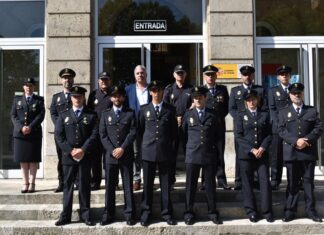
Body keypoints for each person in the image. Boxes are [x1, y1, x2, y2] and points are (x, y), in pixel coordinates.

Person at [278, 83, 323, 223]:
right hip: (291, 153)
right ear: (290, 95)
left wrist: (307, 140)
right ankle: (290, 211)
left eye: (299, 93)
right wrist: (295, 141)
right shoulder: (283, 112)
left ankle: (311, 211)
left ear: (303, 94)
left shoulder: (312, 111)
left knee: (309, 184)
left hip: (308, 153)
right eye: (294, 93)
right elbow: (281, 130)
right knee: (292, 184)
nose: (297, 95)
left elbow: (319, 127)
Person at [54, 86, 98, 226]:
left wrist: (83, 149)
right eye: (74, 96)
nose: (77, 99)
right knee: (68, 186)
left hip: (85, 156)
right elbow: (59, 136)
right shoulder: (63, 115)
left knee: (84, 185)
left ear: (84, 98)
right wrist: (71, 150)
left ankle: (85, 215)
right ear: (71, 98)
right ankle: (65, 215)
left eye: (79, 96)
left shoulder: (91, 115)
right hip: (68, 157)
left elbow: (94, 134)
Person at [138, 80, 177, 226]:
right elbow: (140, 131)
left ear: (163, 92)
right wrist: (141, 151)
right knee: (147, 185)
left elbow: (174, 133)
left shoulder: (170, 110)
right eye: (153, 90)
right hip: (148, 152)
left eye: (159, 90)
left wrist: (171, 152)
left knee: (165, 185)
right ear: (150, 92)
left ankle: (166, 213)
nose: (156, 93)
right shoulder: (143, 109)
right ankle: (146, 213)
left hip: (165, 152)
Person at [182, 86, 222, 225]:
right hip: (192, 154)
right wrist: (187, 151)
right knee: (190, 186)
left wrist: (217, 155)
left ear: (205, 98)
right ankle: (188, 212)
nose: (197, 99)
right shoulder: (188, 115)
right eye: (195, 97)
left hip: (208, 154)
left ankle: (212, 212)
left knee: (210, 186)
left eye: (200, 97)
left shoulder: (213, 114)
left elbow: (218, 136)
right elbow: (184, 136)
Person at [99, 86, 136, 226]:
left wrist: (122, 148)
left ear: (123, 98)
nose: (116, 98)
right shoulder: (105, 114)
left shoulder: (130, 113)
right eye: (114, 96)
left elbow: (132, 133)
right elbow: (102, 135)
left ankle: (130, 214)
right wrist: (113, 150)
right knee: (109, 187)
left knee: (127, 185)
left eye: (119, 96)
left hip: (126, 155)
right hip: (110, 156)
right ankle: (108, 214)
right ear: (110, 98)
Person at [235, 90, 273, 223]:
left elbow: (269, 134)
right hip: (246, 155)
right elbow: (238, 136)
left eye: (254, 99)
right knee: (247, 183)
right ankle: (251, 211)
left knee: (264, 182)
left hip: (262, 154)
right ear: (246, 102)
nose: (252, 102)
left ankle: (267, 211)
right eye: (249, 99)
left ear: (258, 100)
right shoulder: (240, 116)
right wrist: (252, 149)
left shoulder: (265, 114)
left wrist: (262, 147)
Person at [229, 65, 268, 190]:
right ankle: (239, 180)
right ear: (241, 76)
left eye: (250, 74)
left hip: (257, 125)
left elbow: (264, 107)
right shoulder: (235, 91)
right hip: (242, 127)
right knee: (241, 154)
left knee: (258, 155)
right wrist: (242, 118)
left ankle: (256, 180)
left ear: (253, 76)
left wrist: (256, 119)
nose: (247, 77)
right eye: (245, 74)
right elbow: (231, 108)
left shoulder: (260, 90)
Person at [11, 77, 45, 193]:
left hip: (33, 133)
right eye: (26, 85)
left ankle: (32, 183)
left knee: (33, 160)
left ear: (34, 87)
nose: (28, 88)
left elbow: (41, 115)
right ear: (23, 87)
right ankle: (25, 183)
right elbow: (13, 116)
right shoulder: (17, 99)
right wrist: (21, 128)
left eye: (30, 85)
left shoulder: (39, 100)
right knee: (23, 159)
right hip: (20, 134)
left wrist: (30, 127)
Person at [163, 64, 193, 189]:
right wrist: (175, 117)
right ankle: (170, 181)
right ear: (174, 75)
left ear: (185, 75)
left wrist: (184, 117)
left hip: (187, 125)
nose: (180, 75)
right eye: (178, 73)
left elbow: (194, 105)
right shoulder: (169, 89)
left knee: (189, 154)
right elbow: (165, 106)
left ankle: (190, 181)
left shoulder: (191, 89)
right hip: (173, 125)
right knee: (171, 154)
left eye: (182, 73)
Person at [202, 64, 231, 190]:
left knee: (219, 153)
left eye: (212, 74)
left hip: (219, 126)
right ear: (204, 77)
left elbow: (226, 108)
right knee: (205, 154)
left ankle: (221, 180)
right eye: (208, 75)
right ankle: (204, 181)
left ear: (216, 76)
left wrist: (217, 119)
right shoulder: (201, 90)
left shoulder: (223, 89)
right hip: (206, 128)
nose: (210, 77)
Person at [125, 65, 152, 191]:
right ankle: (136, 179)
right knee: (136, 153)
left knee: (148, 152)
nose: (140, 75)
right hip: (134, 126)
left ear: (146, 74)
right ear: (134, 75)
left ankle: (148, 178)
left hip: (149, 126)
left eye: (142, 73)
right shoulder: (128, 90)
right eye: (137, 73)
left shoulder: (152, 88)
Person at [50, 68, 75, 193]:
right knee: (61, 159)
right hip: (60, 135)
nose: (67, 80)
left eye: (69, 78)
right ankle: (62, 182)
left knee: (76, 157)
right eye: (65, 78)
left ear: (73, 79)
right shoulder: (56, 98)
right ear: (62, 80)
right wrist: (61, 127)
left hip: (75, 134)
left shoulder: (77, 95)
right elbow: (53, 113)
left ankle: (76, 182)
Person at [87, 71, 113, 190]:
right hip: (96, 131)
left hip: (110, 132)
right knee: (95, 159)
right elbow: (88, 112)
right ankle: (95, 182)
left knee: (109, 158)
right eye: (102, 80)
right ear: (98, 81)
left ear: (110, 81)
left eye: (106, 79)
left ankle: (111, 182)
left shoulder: (114, 93)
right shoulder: (93, 95)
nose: (104, 82)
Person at [268, 65, 292, 190]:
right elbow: (272, 109)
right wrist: (278, 125)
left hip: (291, 129)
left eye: (286, 74)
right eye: (282, 74)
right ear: (278, 77)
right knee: (276, 155)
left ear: (290, 76)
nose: (284, 76)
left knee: (292, 155)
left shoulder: (294, 89)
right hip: (277, 128)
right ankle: (275, 180)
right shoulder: (273, 91)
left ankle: (293, 180)